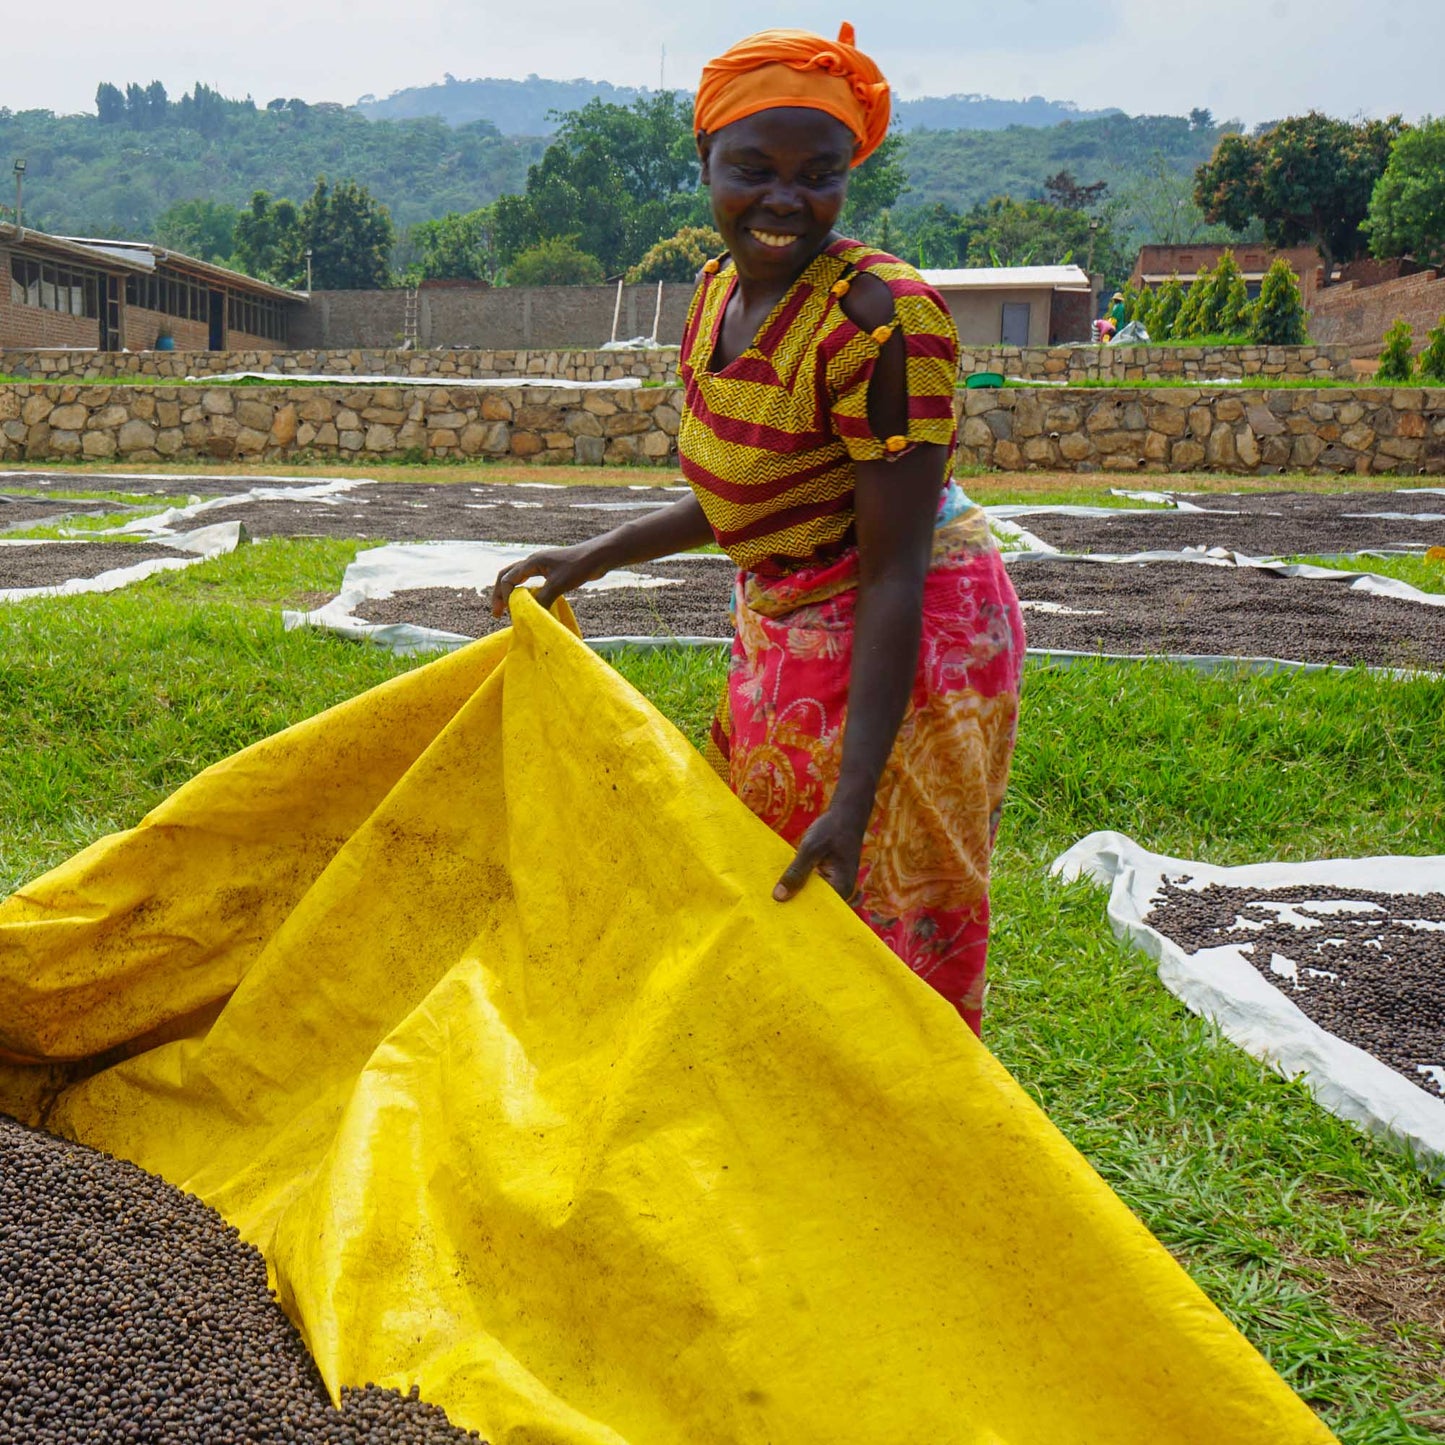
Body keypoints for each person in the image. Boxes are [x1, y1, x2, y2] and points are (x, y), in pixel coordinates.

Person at [492, 23, 1025, 1034]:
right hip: (782, 617)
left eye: (817, 175)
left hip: (907, 639)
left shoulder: (883, 322)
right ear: (704, 164)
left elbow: (891, 571)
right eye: (753, 169)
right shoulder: (710, 298)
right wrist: (588, 558)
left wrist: (859, 792)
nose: (784, 200)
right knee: (771, 859)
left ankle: (911, 1126)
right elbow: (751, 494)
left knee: (882, 896)